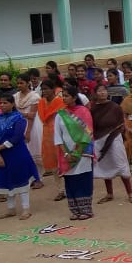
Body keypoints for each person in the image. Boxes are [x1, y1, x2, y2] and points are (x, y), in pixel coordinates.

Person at [0, 93, 41, 220]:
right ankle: (11, 209)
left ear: (12, 104)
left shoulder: (19, 118)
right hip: (2, 155)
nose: (2, 105)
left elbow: (17, 137)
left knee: (21, 179)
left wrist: (0, 148)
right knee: (7, 180)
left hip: (17, 153)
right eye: (1, 103)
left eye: (5, 103)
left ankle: (26, 209)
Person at [91, 84, 132, 204]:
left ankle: (130, 193)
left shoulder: (115, 107)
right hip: (99, 139)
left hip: (115, 137)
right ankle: (109, 193)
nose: (102, 93)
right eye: (99, 91)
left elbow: (121, 123)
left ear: (107, 92)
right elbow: (91, 125)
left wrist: (119, 132)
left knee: (121, 163)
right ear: (95, 94)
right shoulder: (93, 109)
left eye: (104, 90)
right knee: (105, 165)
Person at [55, 86, 95, 221]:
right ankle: (75, 210)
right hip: (66, 154)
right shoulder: (60, 114)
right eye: (63, 96)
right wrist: (67, 154)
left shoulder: (84, 111)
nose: (64, 98)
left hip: (82, 152)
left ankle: (86, 210)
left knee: (82, 179)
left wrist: (77, 152)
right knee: (70, 181)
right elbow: (57, 137)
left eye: (67, 96)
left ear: (74, 97)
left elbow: (88, 133)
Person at [37, 80, 65, 195]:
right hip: (47, 134)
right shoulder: (41, 102)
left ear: (53, 89)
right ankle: (60, 190)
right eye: (42, 89)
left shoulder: (60, 101)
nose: (44, 91)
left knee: (62, 159)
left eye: (46, 89)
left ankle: (67, 188)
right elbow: (42, 117)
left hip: (60, 132)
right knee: (53, 162)